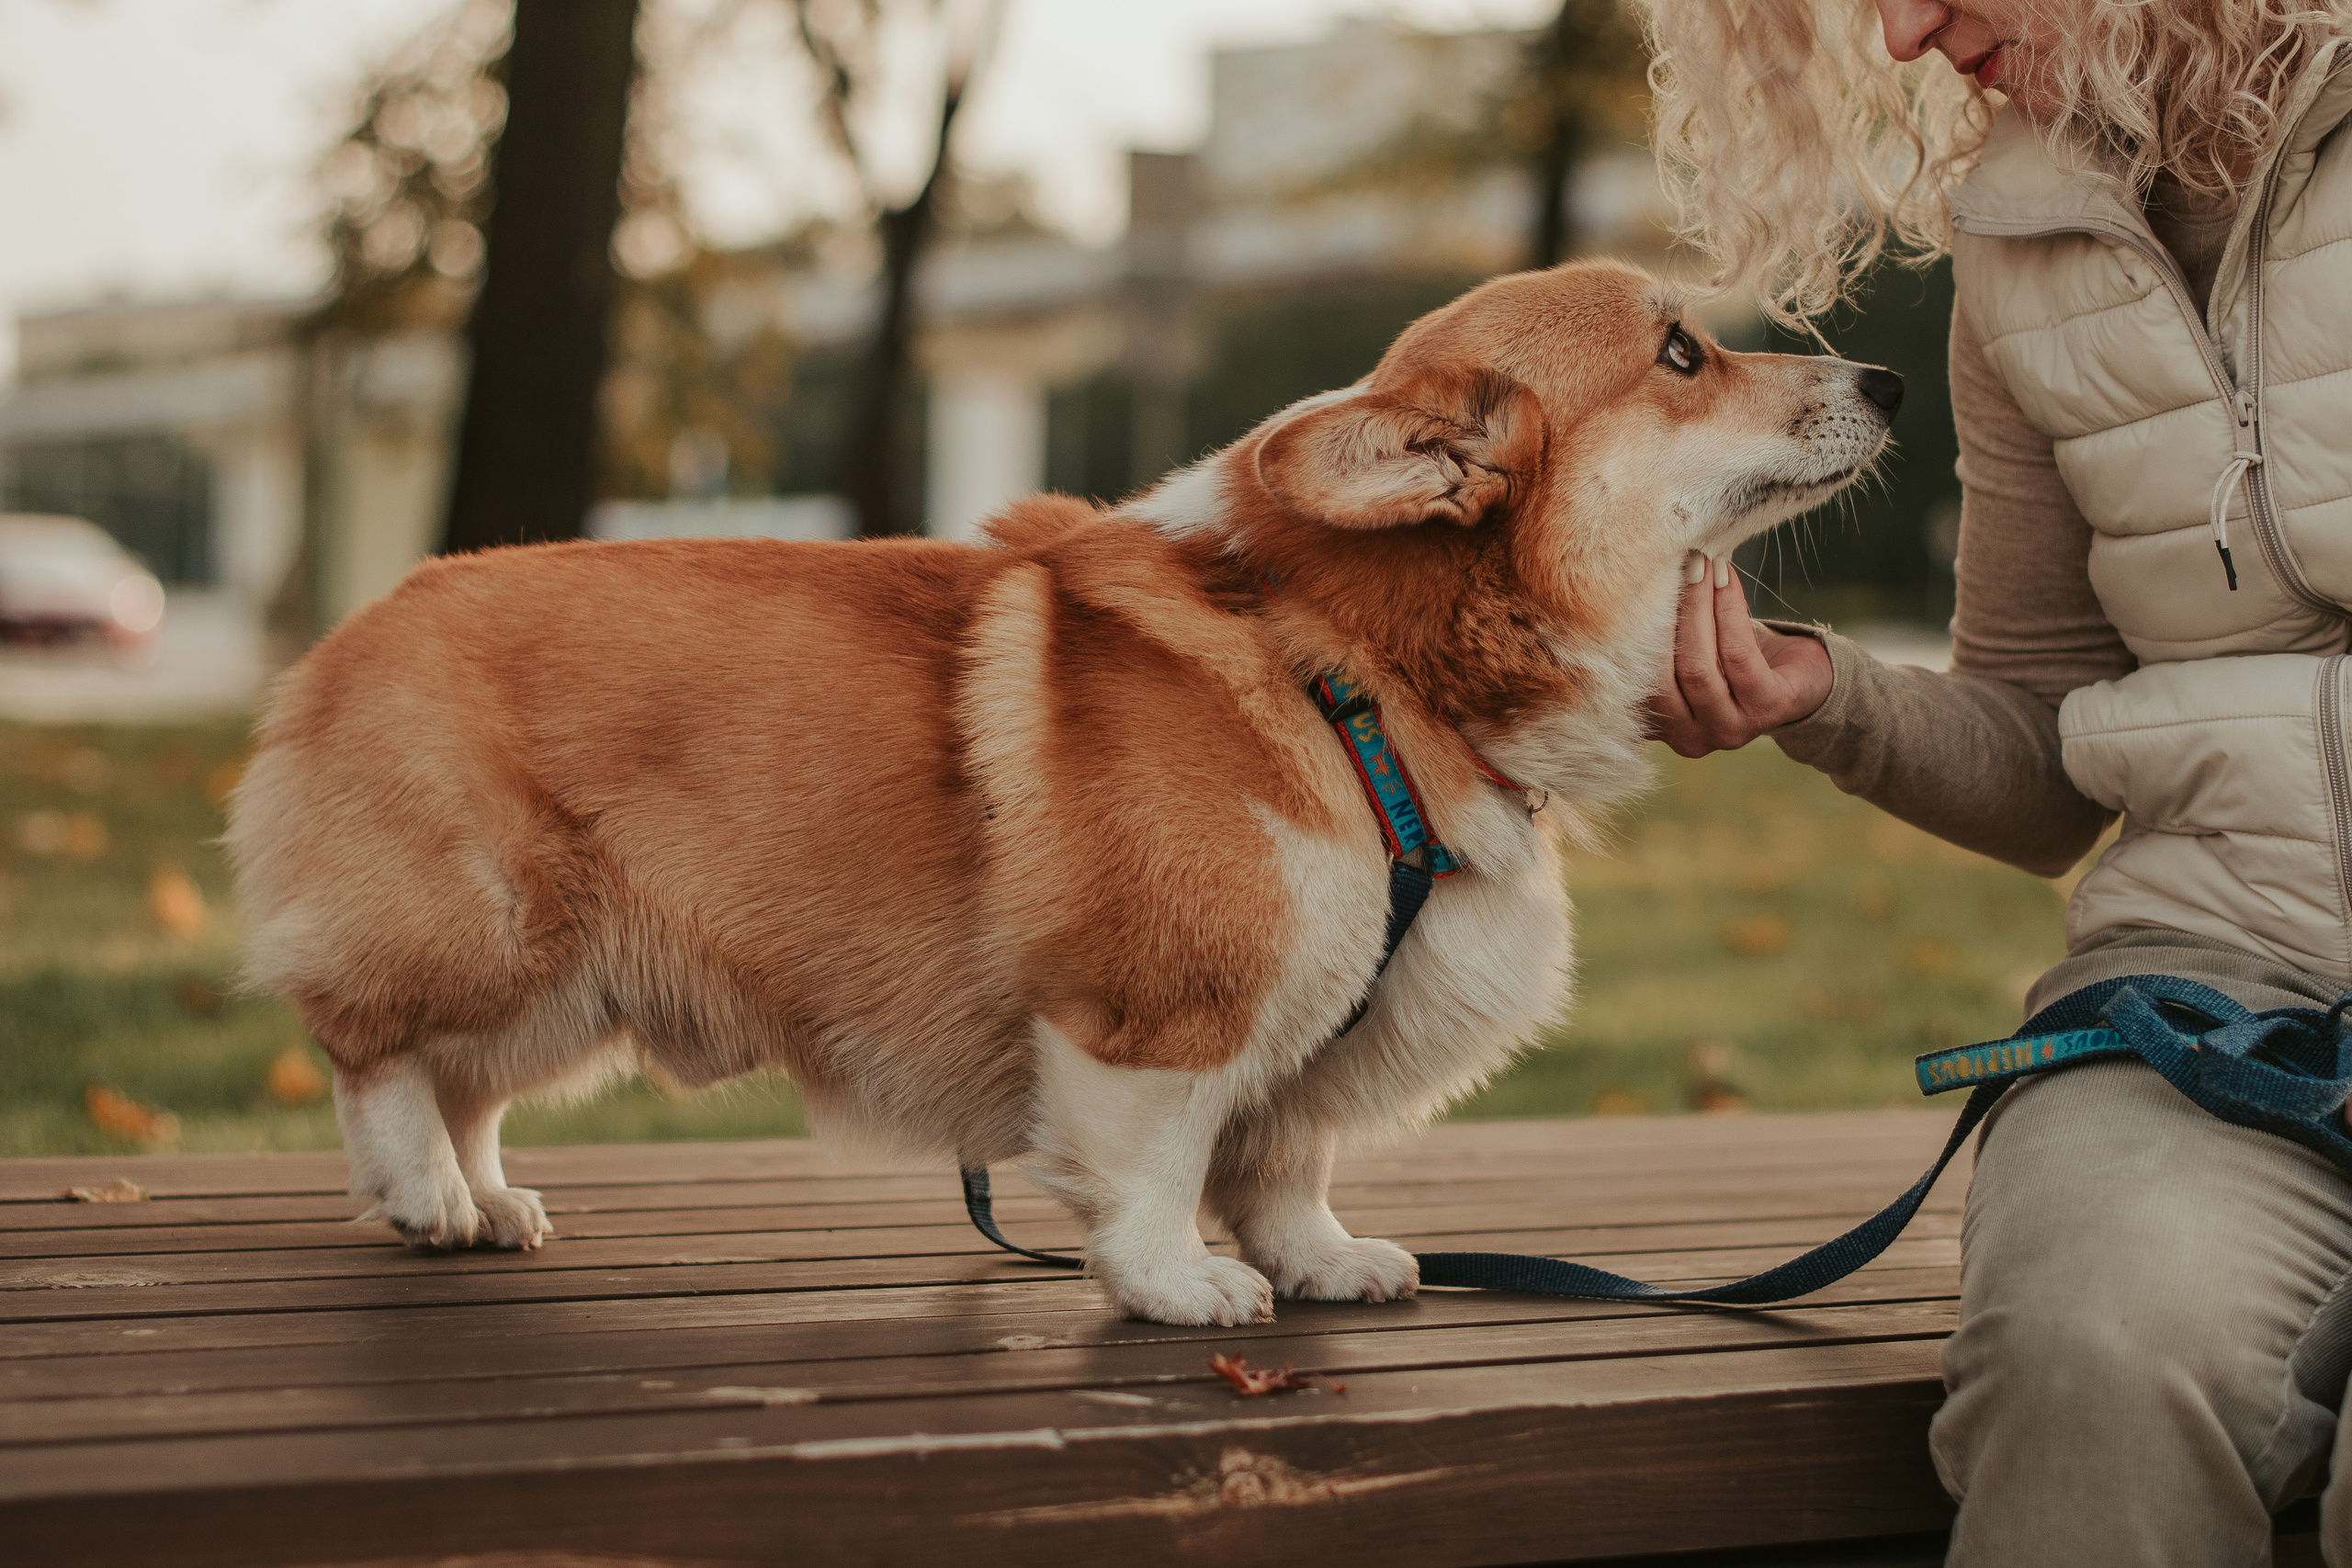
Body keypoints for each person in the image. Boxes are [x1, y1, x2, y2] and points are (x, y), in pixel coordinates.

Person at [1639, 0, 2352, 1561]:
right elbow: (2046, 749)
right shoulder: (2021, 242)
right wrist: (1825, 696)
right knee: (2087, 1362)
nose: (1904, 33)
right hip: (2221, 989)